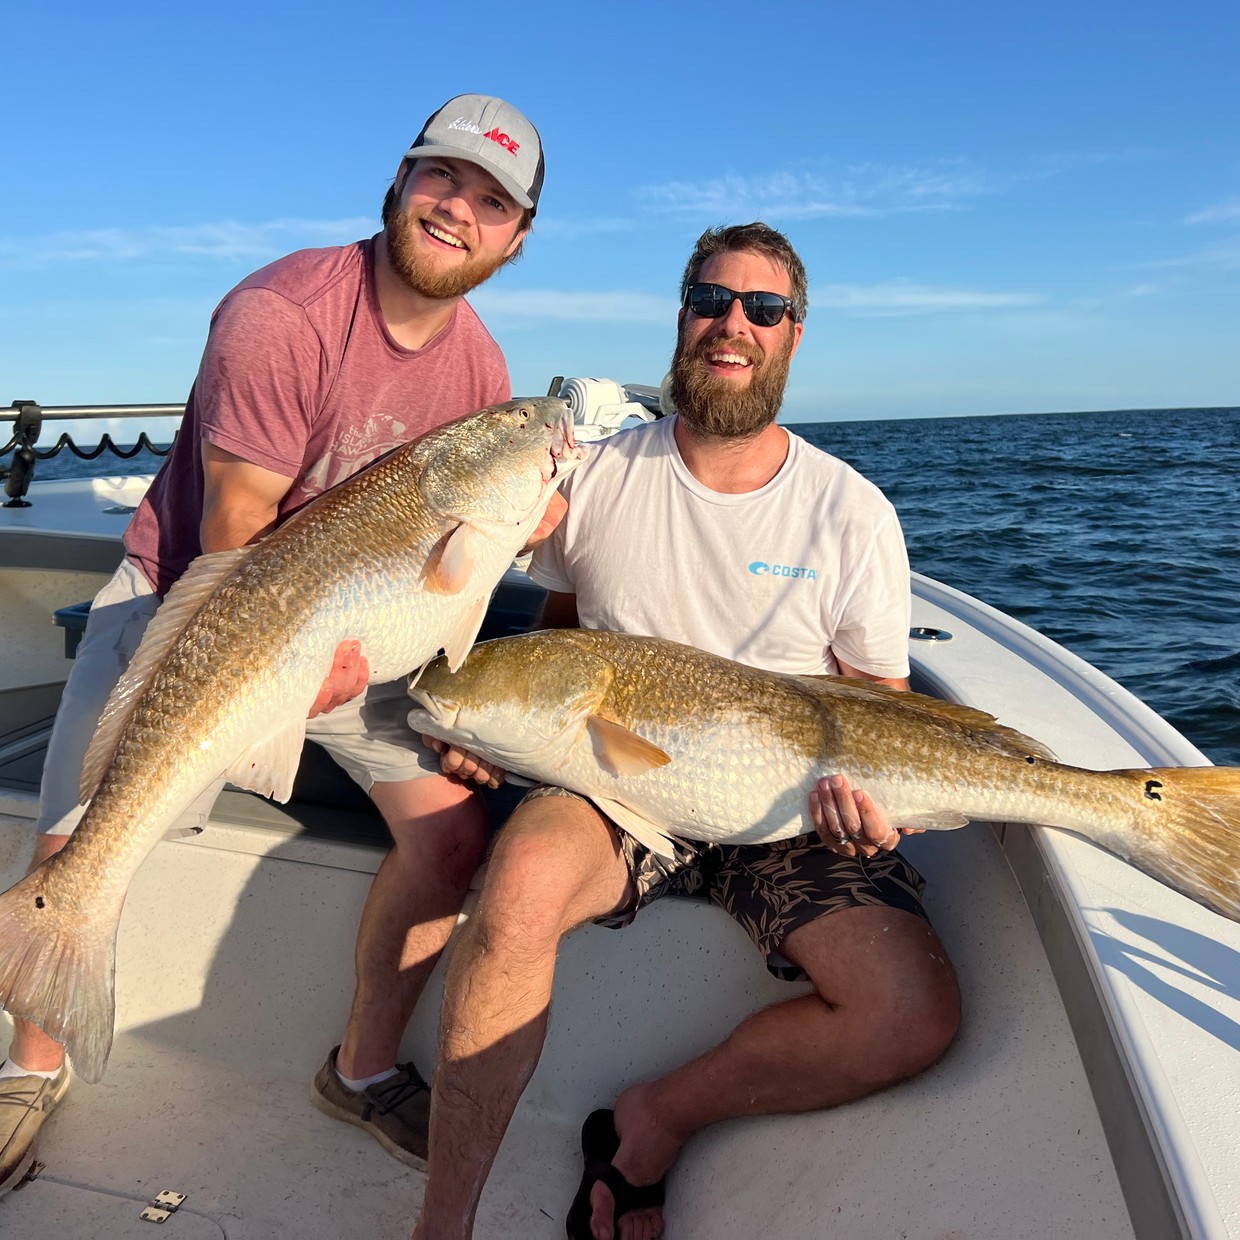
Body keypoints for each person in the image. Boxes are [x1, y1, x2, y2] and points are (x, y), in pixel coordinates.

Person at [0, 93, 552, 1190]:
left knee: (452, 840)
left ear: (516, 237)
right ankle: (26, 1066)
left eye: (491, 202)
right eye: (443, 180)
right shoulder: (284, 311)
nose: (458, 211)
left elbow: (450, 580)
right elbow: (235, 536)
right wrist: (305, 666)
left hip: (358, 631)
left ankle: (356, 1071)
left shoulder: (483, 373)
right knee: (81, 838)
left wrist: (496, 567)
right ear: (400, 182)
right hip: (190, 602)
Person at [411, 223, 962, 1240]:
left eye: (764, 308)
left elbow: (882, 700)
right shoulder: (595, 480)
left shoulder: (851, 512)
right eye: (712, 299)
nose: (733, 325)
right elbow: (559, 637)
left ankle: (654, 1119)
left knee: (911, 1014)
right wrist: (495, 726)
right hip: (620, 785)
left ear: (795, 334)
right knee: (521, 879)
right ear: (680, 317)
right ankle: (441, 1226)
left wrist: (878, 814)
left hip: (793, 809)